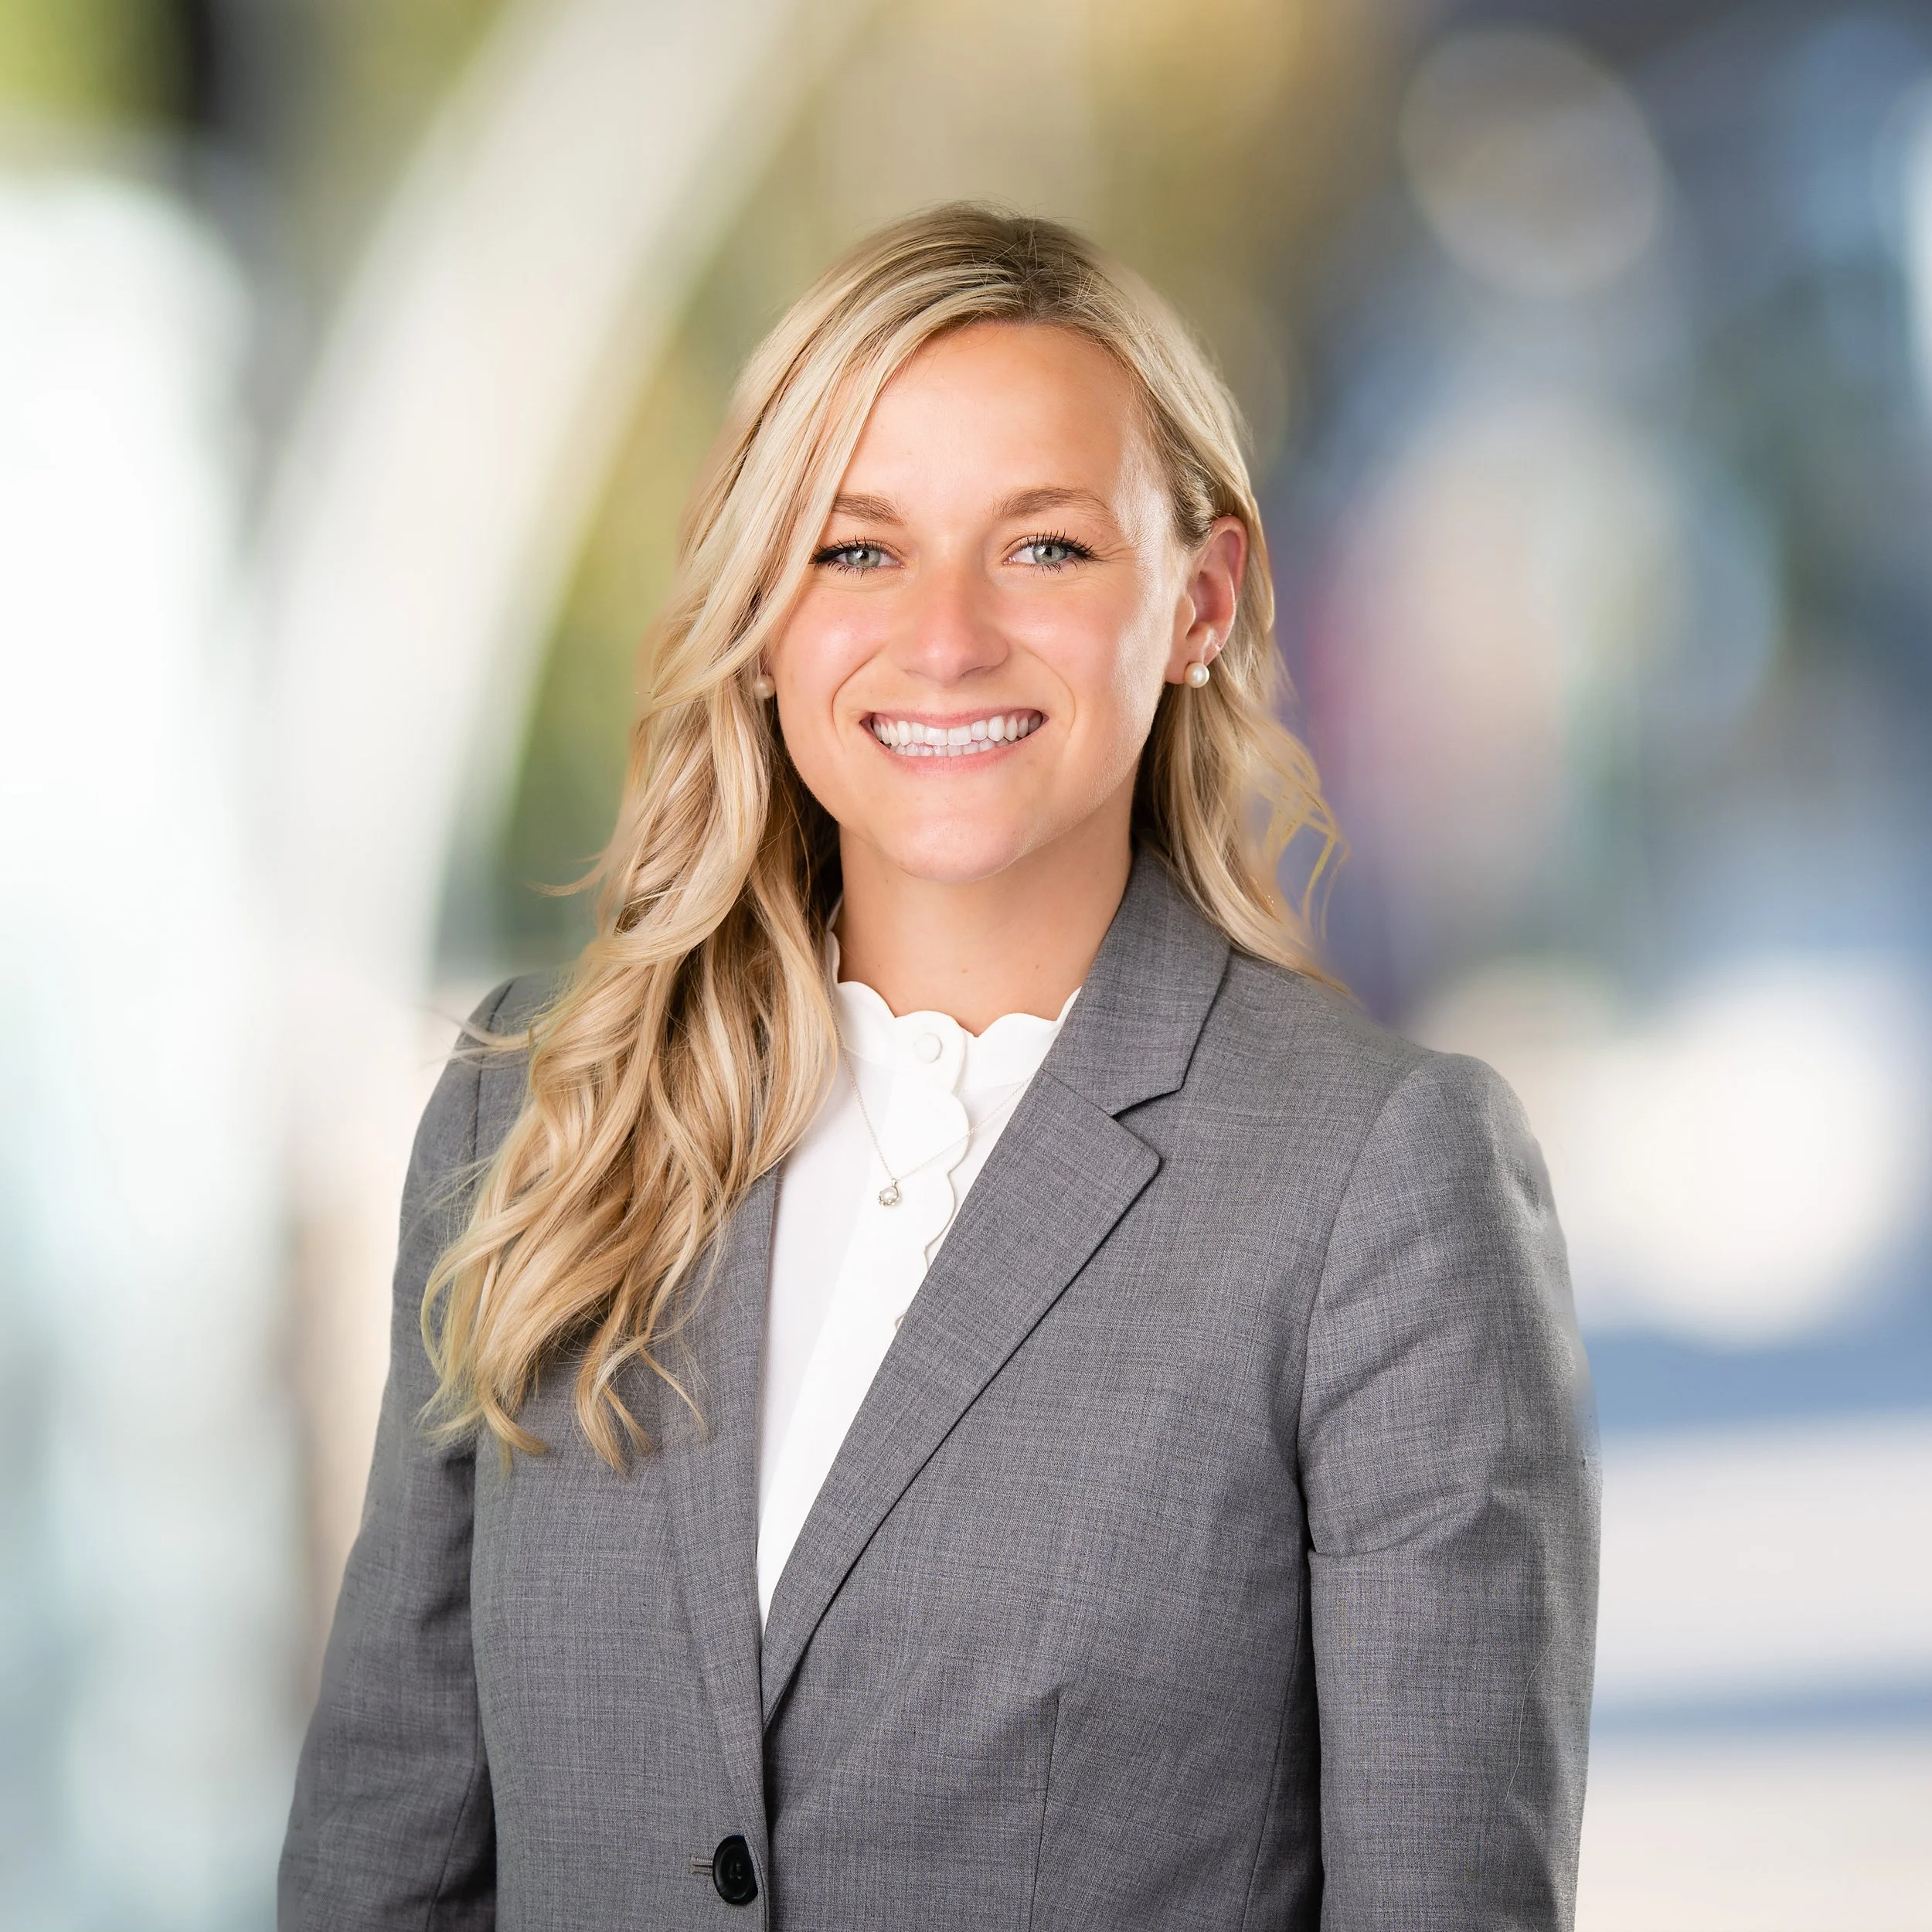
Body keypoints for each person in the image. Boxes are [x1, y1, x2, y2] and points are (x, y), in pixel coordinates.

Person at [280, 204, 1598, 1931]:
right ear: (764, 608)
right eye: (855, 549)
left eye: (1043, 547)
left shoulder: (1377, 1187)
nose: (948, 635)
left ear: (1197, 601)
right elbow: (385, 1860)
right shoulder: (535, 1111)